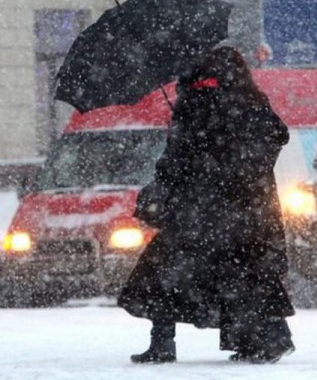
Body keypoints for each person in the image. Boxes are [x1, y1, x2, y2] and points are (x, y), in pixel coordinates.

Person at [118, 46, 295, 364]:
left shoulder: (196, 104)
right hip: (245, 207)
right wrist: (244, 167)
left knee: (165, 272)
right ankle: (264, 340)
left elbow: (175, 160)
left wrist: (178, 172)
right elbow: (278, 135)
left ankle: (163, 343)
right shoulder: (250, 101)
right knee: (247, 275)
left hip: (198, 209)